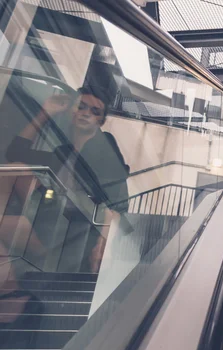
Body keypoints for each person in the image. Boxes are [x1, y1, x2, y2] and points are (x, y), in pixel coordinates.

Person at [4, 85, 130, 273]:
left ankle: (48, 256)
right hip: (52, 210)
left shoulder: (105, 147)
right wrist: (45, 113)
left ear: (101, 121)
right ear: (72, 111)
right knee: (15, 169)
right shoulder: (63, 151)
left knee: (7, 226)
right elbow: (15, 153)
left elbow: (115, 204)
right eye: (81, 106)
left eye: (94, 111)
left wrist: (104, 243)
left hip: (76, 227)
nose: (86, 113)